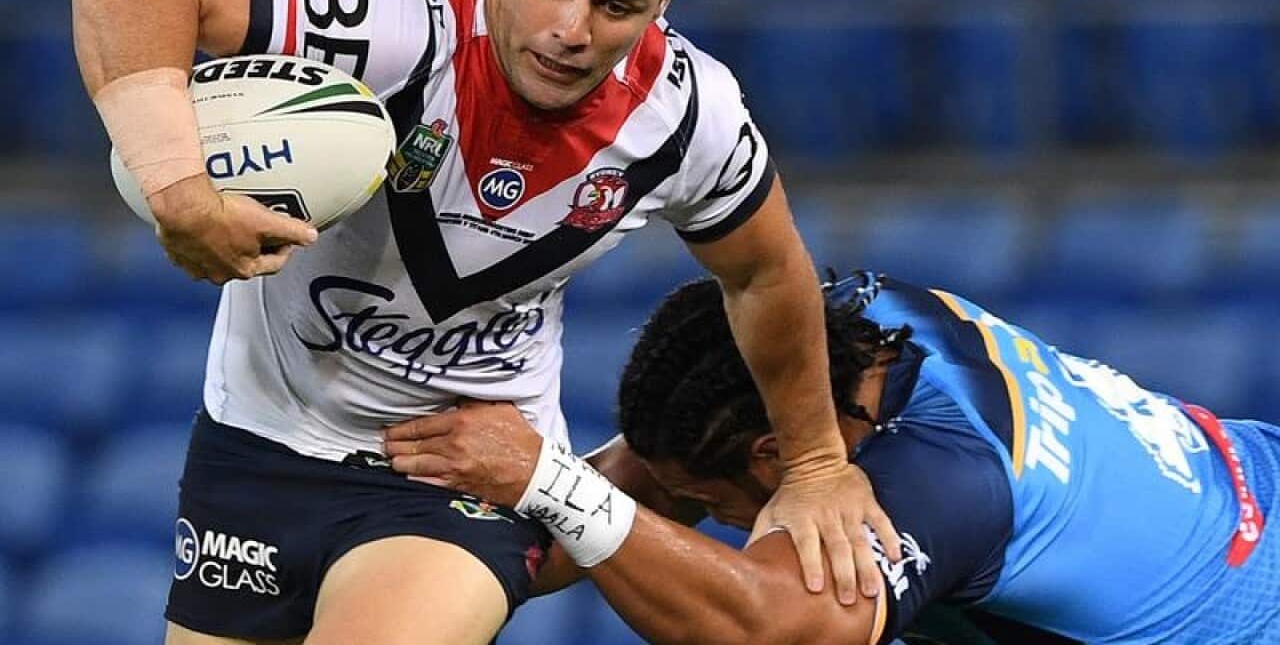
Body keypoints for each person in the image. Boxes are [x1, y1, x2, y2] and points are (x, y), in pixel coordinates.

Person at [70, 0, 900, 643]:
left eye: (617, 6)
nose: (571, 30)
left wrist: (817, 464)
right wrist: (178, 190)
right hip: (256, 447)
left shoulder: (688, 116)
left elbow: (765, 271)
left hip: (458, 476)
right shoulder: (396, 14)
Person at [386, 271, 1280, 644]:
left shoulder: (938, 488)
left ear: (774, 453)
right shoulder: (865, 318)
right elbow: (648, 478)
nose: (720, 518)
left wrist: (547, 479)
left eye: (714, 502)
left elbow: (764, 629)